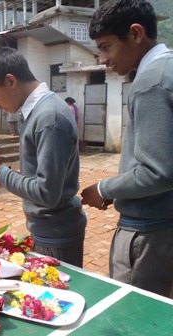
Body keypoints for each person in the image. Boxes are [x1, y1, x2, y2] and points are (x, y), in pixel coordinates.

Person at [81, 0, 173, 298]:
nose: (103, 59)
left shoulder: (151, 82)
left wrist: (105, 188)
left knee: (133, 316)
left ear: (135, 34)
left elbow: (157, 172)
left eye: (107, 46)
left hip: (148, 234)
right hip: (162, 225)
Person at [0, 46, 87, 267]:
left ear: (10, 81)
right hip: (49, 230)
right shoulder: (37, 112)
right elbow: (41, 180)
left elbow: (47, 193)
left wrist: (1, 171)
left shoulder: (48, 117)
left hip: (56, 232)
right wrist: (4, 175)